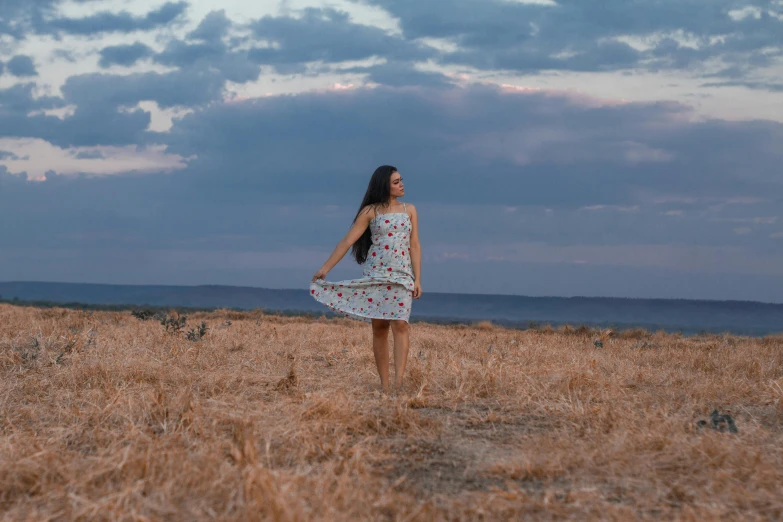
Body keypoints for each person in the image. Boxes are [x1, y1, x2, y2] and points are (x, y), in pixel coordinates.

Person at [311, 165, 422, 391]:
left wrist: (417, 278)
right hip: (376, 274)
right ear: (384, 185)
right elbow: (347, 241)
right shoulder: (370, 211)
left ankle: (399, 384)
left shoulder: (409, 209)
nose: (402, 184)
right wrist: (325, 268)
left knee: (401, 325)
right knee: (379, 328)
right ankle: (385, 385)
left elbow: (415, 244)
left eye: (401, 180)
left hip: (402, 275)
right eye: (396, 182)